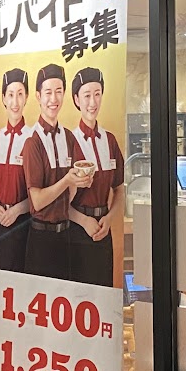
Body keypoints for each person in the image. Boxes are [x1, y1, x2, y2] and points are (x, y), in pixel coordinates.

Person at [21, 63, 87, 281]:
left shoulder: (68, 137)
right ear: (38, 96)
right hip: (41, 238)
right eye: (48, 92)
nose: (53, 99)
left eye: (59, 91)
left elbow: (72, 190)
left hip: (67, 235)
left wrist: (80, 180)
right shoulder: (32, 142)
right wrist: (68, 180)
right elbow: (37, 201)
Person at [67, 66, 124, 287]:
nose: (93, 102)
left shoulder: (109, 140)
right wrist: (83, 221)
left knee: (104, 292)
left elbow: (119, 188)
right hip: (76, 229)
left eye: (97, 94)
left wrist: (109, 219)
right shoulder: (68, 140)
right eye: (87, 95)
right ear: (76, 99)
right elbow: (58, 198)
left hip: (104, 228)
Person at [0, 68, 33, 274]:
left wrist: (16, 210)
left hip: (23, 222)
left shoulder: (33, 139)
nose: (15, 101)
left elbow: (39, 192)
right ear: (3, 98)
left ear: (27, 97)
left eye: (20, 94)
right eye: (10, 94)